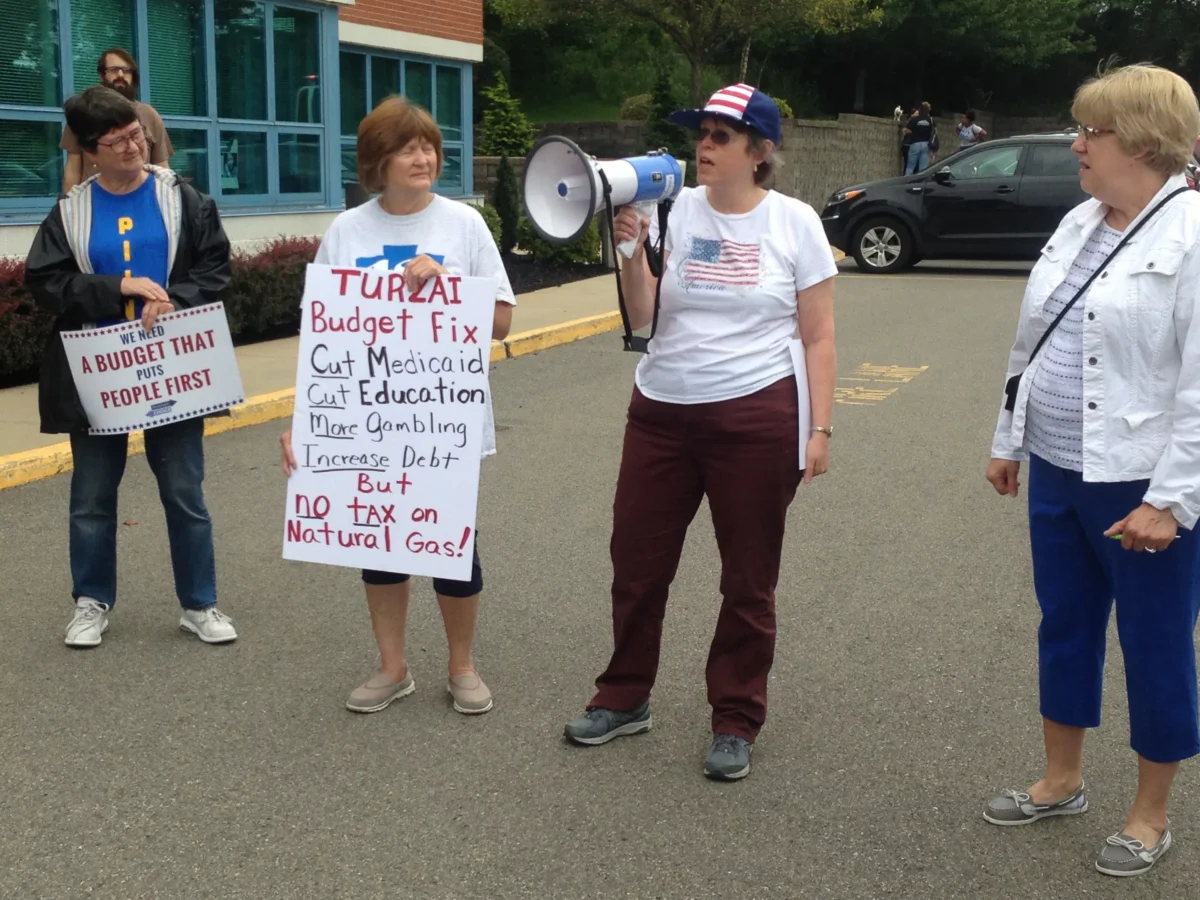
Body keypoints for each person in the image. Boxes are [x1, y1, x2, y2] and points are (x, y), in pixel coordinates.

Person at [562, 84, 838, 781]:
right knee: (636, 563)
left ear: (760, 151)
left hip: (755, 415)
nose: (704, 145)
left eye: (722, 135)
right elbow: (645, 314)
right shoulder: (673, 208)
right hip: (661, 410)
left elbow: (820, 334)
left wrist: (820, 428)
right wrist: (630, 252)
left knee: (748, 578)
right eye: (702, 133)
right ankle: (625, 697)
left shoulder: (794, 222)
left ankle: (736, 717)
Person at [986, 63, 1200, 878]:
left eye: (1091, 131)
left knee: (1155, 645)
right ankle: (1062, 779)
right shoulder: (1080, 222)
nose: (1076, 144)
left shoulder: (1191, 235)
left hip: (1144, 484)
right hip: (1060, 467)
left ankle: (1151, 814)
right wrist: (1010, 438)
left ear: (1143, 142)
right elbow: (1031, 340)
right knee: (1065, 626)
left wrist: (1173, 501)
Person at [280, 96, 515, 717]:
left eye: (429, 145)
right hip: (362, 423)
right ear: (377, 161)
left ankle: (462, 666)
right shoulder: (346, 231)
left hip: (441, 420)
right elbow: (321, 338)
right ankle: (393, 667)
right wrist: (303, 424)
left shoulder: (464, 225)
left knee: (452, 544)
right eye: (408, 147)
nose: (424, 156)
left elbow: (502, 322)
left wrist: (450, 286)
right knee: (379, 544)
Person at [25, 86, 236, 648]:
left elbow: (217, 266)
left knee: (184, 490)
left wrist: (177, 299)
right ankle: (91, 602)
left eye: (136, 134)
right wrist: (113, 286)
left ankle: (200, 603)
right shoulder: (71, 211)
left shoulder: (182, 199)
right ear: (90, 150)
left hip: (172, 366)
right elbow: (45, 282)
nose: (131, 147)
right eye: (115, 141)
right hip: (99, 373)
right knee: (92, 496)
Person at [61, 48, 173, 192]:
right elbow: (72, 169)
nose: (121, 75)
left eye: (126, 70)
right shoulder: (83, 114)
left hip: (140, 201)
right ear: (102, 75)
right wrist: (68, 205)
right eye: (114, 70)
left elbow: (162, 166)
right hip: (94, 204)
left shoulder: (149, 114)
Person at [904, 101, 934, 174]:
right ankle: (921, 183)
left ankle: (907, 181)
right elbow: (934, 131)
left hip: (915, 143)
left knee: (910, 167)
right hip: (926, 145)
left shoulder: (914, 119)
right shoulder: (931, 120)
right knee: (923, 168)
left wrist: (912, 131)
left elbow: (907, 130)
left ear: (920, 109)